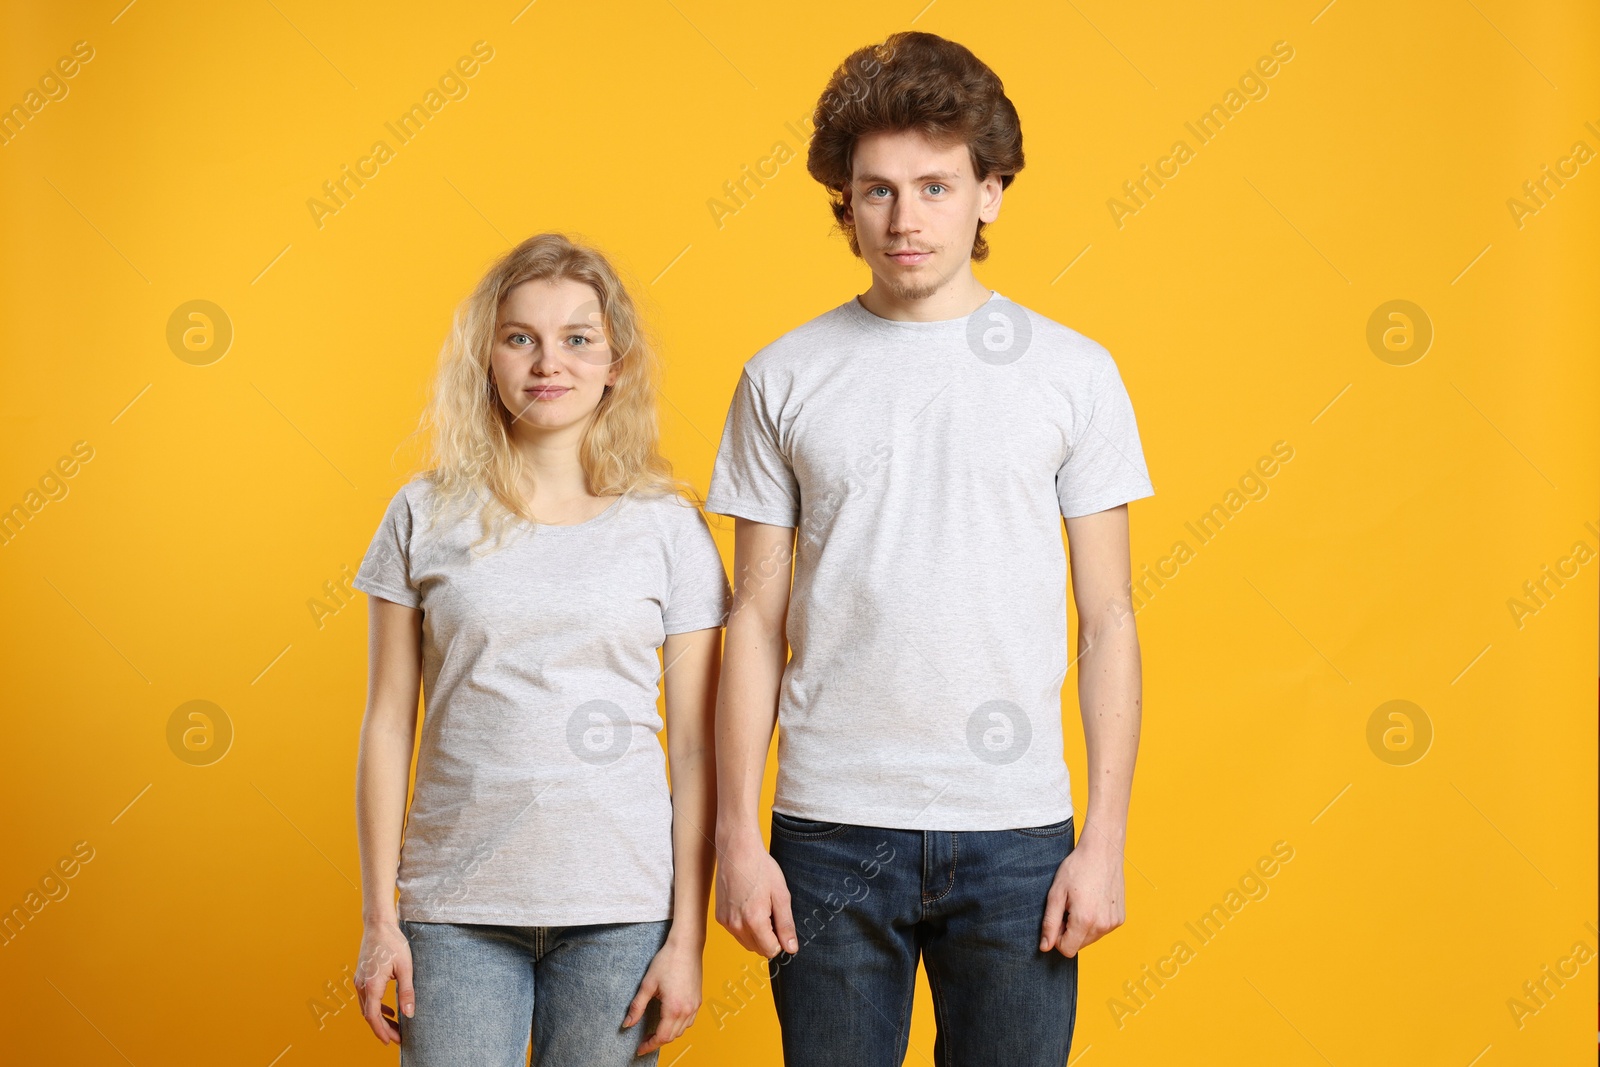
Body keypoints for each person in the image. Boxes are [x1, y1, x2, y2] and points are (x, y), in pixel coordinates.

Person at [707, 31, 1156, 1066]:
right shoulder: (783, 375)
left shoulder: (1072, 373)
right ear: (844, 201)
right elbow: (754, 619)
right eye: (876, 191)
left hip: (1016, 833)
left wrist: (1104, 839)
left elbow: (1110, 620)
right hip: (827, 831)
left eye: (935, 187)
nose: (905, 220)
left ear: (990, 191)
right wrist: (739, 836)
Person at [350, 233, 731, 1065]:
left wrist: (688, 938)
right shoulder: (421, 514)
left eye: (577, 338)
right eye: (520, 336)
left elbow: (700, 750)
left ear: (615, 363)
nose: (547, 361)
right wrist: (382, 918)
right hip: (454, 909)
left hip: (622, 910)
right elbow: (386, 724)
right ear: (487, 355)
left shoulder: (670, 528)